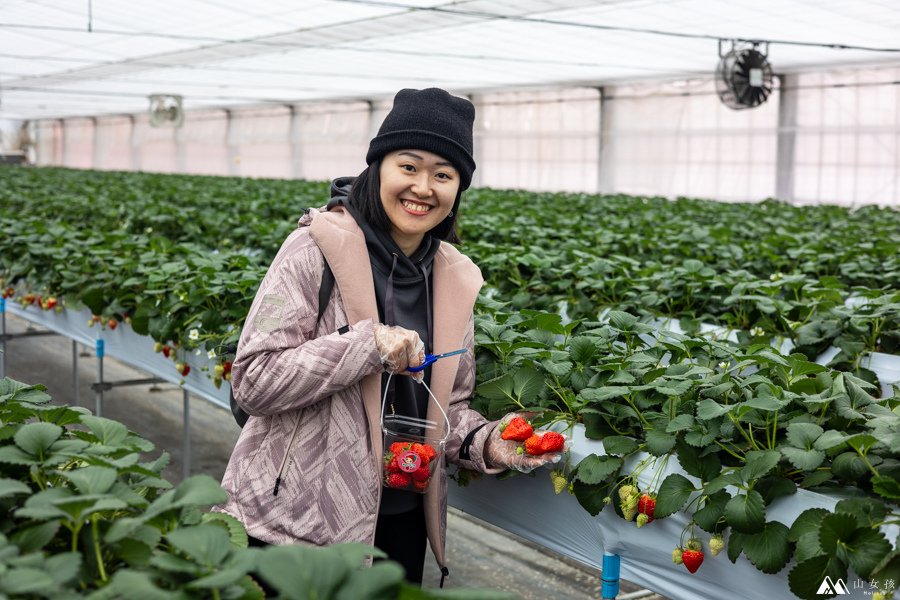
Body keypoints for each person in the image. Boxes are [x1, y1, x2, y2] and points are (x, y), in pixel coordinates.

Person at [215, 88, 562, 587]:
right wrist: (365, 345)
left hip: (399, 522)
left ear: (457, 191)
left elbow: (449, 406)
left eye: (444, 175)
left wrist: (490, 444)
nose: (424, 187)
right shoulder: (313, 250)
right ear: (377, 167)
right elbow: (254, 379)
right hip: (295, 524)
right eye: (409, 166)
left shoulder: (454, 279)